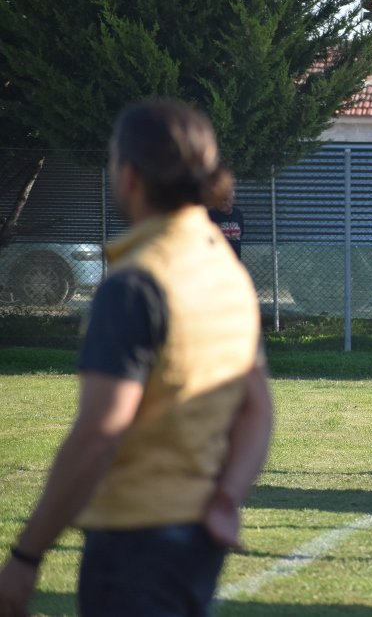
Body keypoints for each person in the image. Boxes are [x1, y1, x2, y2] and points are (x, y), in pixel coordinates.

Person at [0, 99, 273, 617]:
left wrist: (26, 554)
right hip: (198, 538)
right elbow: (257, 410)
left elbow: (101, 432)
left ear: (129, 175)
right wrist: (226, 497)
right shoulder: (225, 271)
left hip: (133, 539)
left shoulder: (135, 283)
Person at [208, 183, 244, 259]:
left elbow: (241, 233)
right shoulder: (211, 215)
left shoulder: (238, 214)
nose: (222, 203)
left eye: (225, 200)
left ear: (232, 200)